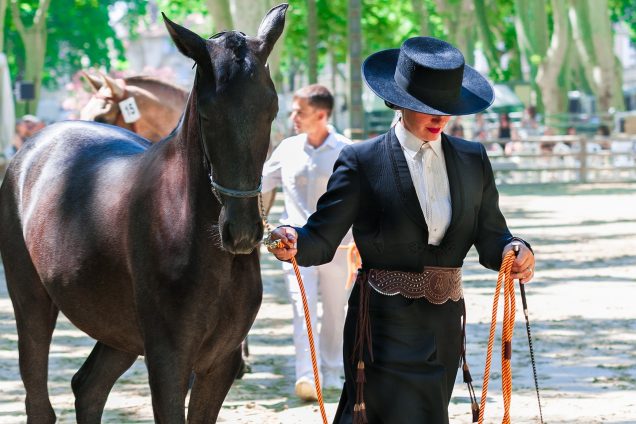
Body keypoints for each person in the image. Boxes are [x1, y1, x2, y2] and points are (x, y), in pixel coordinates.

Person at [267, 37, 535, 423]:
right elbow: (321, 237)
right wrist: (292, 242)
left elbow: (492, 237)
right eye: (428, 107)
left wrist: (516, 250)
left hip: (445, 326)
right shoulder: (361, 161)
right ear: (399, 100)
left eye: (446, 106)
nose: (439, 116)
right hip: (382, 324)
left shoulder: (473, 159)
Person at [261, 84, 353, 401]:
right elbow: (258, 185)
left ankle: (331, 368)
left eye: (299, 111)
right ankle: (307, 374)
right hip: (294, 248)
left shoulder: (347, 151)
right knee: (303, 310)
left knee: (336, 311)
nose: (293, 117)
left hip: (341, 248)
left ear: (322, 114)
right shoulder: (286, 149)